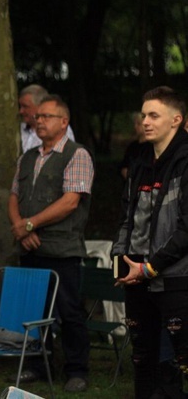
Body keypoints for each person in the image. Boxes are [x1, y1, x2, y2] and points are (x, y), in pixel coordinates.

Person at [8, 94, 93, 393]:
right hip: (30, 247)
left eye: (46, 116)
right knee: (32, 311)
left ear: (64, 122)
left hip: (63, 250)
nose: (38, 121)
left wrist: (30, 224)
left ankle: (76, 370)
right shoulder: (28, 156)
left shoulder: (77, 154)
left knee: (69, 312)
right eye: (37, 116)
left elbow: (70, 202)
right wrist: (21, 227)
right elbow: (14, 196)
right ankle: (36, 365)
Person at [114, 86, 188, 399]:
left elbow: (186, 230)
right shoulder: (140, 160)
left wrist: (149, 267)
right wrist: (121, 267)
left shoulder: (185, 161)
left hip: (175, 279)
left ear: (176, 120)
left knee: (177, 361)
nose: (145, 121)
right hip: (136, 279)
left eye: (154, 115)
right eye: (143, 115)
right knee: (141, 358)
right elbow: (126, 219)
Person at [18, 84, 75, 153]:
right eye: (20, 106)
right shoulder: (18, 129)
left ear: (40, 106)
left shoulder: (60, 127)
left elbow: (67, 155)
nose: (21, 111)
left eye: (25, 106)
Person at [119, 111, 148, 180]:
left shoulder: (152, 146)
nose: (135, 126)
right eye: (134, 124)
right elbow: (124, 166)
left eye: (138, 124)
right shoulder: (132, 146)